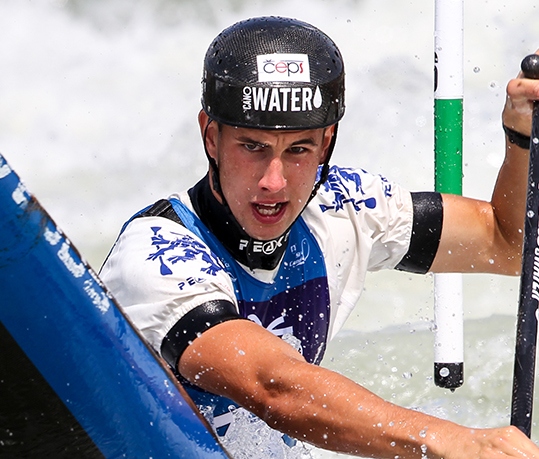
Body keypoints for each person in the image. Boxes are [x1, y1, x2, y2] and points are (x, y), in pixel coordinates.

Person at [100, 16, 539, 458]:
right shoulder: (156, 254)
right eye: (252, 147)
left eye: (298, 150)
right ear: (211, 137)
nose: (274, 182)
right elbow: (272, 386)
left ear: (327, 142)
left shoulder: (345, 204)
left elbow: (510, 244)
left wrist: (521, 137)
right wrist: (451, 441)